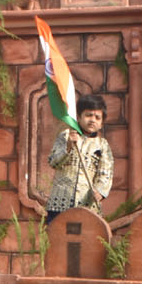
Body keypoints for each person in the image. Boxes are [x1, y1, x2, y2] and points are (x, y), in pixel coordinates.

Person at [45, 93, 113, 222]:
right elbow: (53, 162)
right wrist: (69, 146)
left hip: (87, 205)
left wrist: (100, 191)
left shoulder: (102, 145)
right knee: (56, 239)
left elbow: (106, 173)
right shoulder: (65, 136)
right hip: (59, 203)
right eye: (88, 115)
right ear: (79, 117)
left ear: (102, 123)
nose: (92, 120)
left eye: (97, 117)